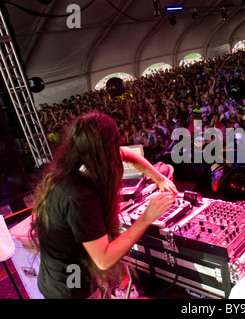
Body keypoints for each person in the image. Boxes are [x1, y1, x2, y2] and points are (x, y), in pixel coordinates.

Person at [29, 111, 178, 299]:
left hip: (65, 276)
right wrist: (147, 217)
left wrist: (159, 178)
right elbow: (104, 259)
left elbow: (125, 153)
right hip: (71, 289)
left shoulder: (78, 161)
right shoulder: (78, 197)